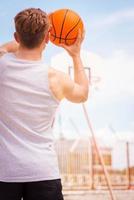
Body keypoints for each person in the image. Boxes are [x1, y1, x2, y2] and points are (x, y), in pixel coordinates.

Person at [0, 8, 89, 200]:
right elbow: (82, 94)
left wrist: (17, 42)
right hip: (43, 171)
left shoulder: (2, 67)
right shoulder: (56, 79)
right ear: (48, 39)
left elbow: (3, 49)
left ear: (16, 36)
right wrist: (75, 55)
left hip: (4, 173)